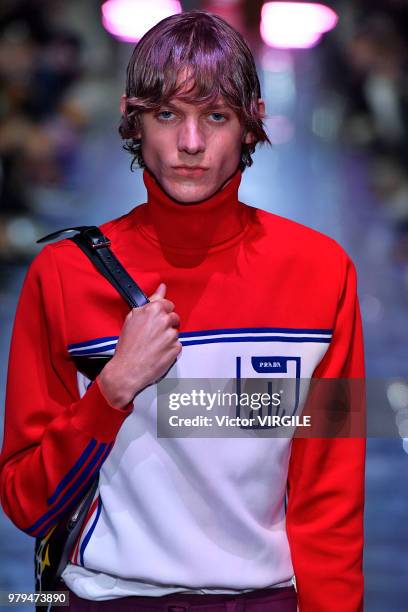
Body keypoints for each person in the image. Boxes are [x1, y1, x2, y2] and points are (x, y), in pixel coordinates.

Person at [0, 10, 365, 612]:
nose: (190, 143)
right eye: (168, 114)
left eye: (215, 116)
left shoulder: (322, 274)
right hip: (105, 599)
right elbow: (24, 501)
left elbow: (330, 499)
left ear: (252, 125)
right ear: (134, 120)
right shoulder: (64, 276)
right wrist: (112, 388)